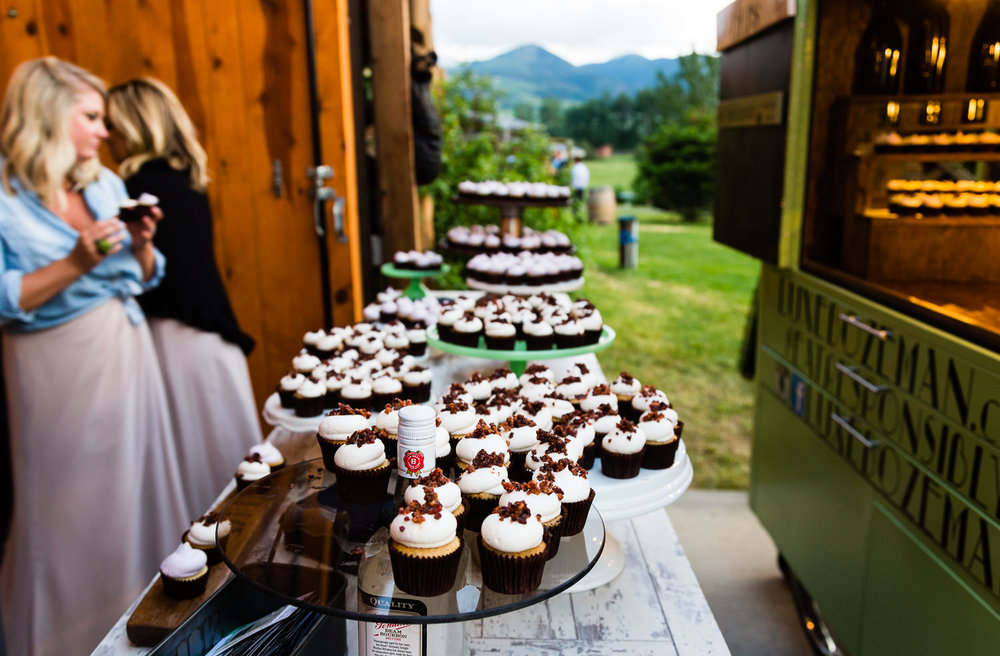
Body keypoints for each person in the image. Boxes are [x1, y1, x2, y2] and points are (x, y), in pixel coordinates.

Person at [0, 57, 189, 655]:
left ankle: (145, 620)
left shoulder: (104, 183)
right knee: (66, 506)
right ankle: (67, 637)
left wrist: (143, 244)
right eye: (91, 117)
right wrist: (74, 264)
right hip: (53, 363)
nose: (103, 132)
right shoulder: (4, 196)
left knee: (134, 489)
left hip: (123, 347)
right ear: (48, 116)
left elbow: (143, 276)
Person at [106, 78, 263, 517]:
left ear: (134, 126)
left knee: (199, 465)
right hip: (210, 334)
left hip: (176, 336)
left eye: (112, 125)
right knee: (228, 453)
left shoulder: (137, 186)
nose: (106, 136)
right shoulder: (185, 176)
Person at [570, 156, 590, 220]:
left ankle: (575, 212)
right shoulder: (584, 167)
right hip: (583, 185)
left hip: (576, 186)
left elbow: (573, 176)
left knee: (576, 200)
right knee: (579, 199)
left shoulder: (576, 167)